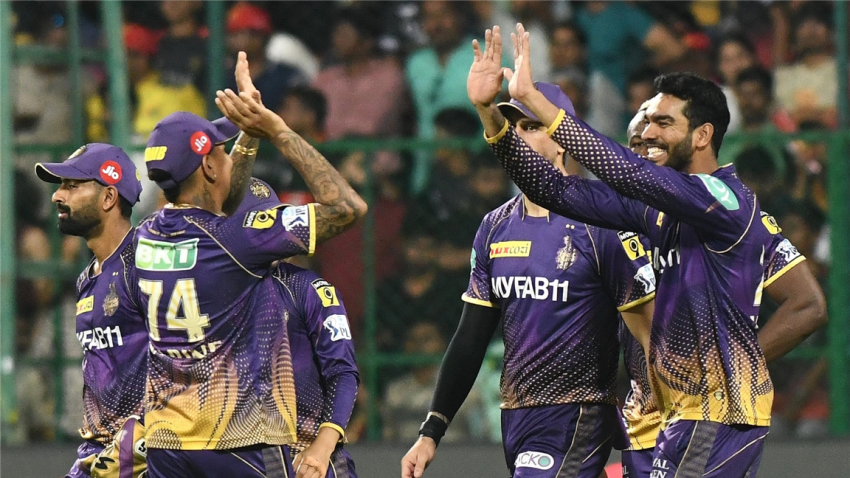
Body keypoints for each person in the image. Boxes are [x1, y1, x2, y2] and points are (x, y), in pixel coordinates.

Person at [480, 24, 776, 477]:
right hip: (677, 416)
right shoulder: (655, 212)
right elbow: (551, 188)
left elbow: (627, 172)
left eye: (664, 122)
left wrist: (541, 106)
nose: (647, 130)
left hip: (721, 410)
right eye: (646, 120)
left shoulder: (722, 198)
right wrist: (490, 116)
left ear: (702, 136)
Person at [401, 79, 657, 478]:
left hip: (580, 411)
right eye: (513, 125)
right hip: (516, 417)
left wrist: (654, 423)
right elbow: (471, 336)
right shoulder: (494, 227)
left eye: (532, 126)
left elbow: (646, 330)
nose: (518, 134)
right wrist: (432, 430)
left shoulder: (603, 223)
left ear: (564, 139)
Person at [137, 52, 366, 478]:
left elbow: (219, 203)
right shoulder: (237, 241)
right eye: (221, 153)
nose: (228, 159)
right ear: (206, 165)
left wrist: (246, 139)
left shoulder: (145, 236)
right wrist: (277, 130)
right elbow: (347, 207)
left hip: (167, 442)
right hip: (237, 440)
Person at [619, 107, 827, 477]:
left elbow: (807, 304)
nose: (643, 155)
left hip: (700, 414)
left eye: (654, 145)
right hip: (641, 423)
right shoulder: (607, 226)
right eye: (636, 145)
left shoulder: (728, 218)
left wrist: (732, 371)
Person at [233, 178, 360, 478]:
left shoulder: (309, 289)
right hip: (235, 454)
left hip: (306, 454)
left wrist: (323, 446)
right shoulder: (208, 293)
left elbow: (342, 372)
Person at [34, 144, 147, 478]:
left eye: (71, 186)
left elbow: (186, 361)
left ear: (108, 198)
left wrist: (138, 443)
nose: (57, 196)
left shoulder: (145, 264)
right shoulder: (88, 278)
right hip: (98, 454)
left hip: (146, 455)